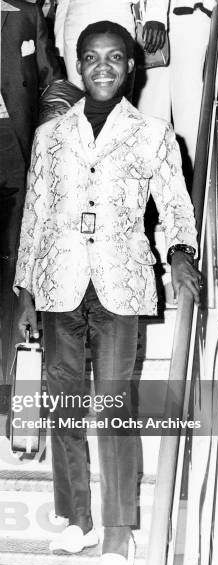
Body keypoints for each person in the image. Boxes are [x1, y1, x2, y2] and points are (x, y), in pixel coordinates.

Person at [14, 21, 201, 565]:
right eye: (91, 57)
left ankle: (119, 538)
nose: (102, 66)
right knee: (64, 404)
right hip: (58, 282)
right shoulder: (50, 136)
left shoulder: (152, 133)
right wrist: (24, 290)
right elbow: (36, 214)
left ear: (131, 67)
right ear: (76, 63)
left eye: (114, 57)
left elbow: (173, 203)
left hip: (120, 286)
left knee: (114, 408)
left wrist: (179, 254)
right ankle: (77, 518)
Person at [0, 0, 62, 383]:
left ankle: (7, 383)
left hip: (12, 146)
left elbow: (53, 79)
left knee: (14, 270)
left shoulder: (24, 12)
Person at [137, 0, 216, 169]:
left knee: (187, 108)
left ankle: (192, 182)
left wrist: (156, 13)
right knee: (151, 112)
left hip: (183, 15)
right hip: (154, 17)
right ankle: (157, 185)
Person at [54, 0, 168, 88]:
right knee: (79, 97)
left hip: (118, 13)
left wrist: (156, 14)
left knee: (118, 95)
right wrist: (59, 44)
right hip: (76, 20)